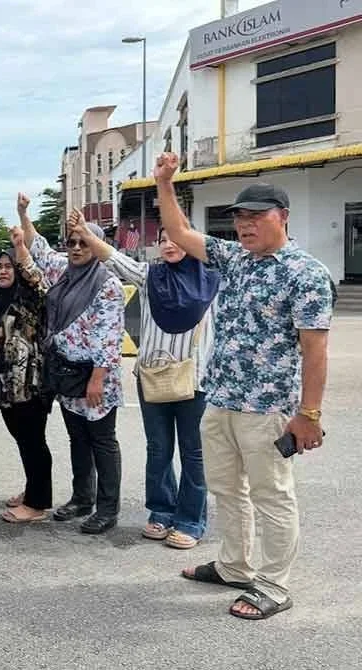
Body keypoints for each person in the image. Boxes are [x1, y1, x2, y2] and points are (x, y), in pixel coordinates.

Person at [153, 152, 333, 621]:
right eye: (240, 218)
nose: (246, 226)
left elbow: (315, 351)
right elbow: (179, 232)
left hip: (267, 407)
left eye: (256, 217)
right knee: (226, 489)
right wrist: (165, 184)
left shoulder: (304, 272)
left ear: (283, 218)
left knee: (272, 494)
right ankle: (235, 565)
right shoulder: (234, 259)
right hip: (222, 398)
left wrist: (308, 415)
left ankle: (273, 583)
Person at [69, 209, 219, 549]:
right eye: (163, 239)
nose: (169, 244)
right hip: (152, 377)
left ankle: (190, 520)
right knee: (159, 449)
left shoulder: (213, 279)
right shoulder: (151, 276)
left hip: (195, 380)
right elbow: (115, 259)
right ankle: (162, 512)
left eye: (177, 238)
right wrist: (87, 234)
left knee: (193, 453)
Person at [21, 192, 125, 535]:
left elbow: (109, 335)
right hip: (67, 374)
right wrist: (23, 213)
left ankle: (107, 509)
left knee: (102, 441)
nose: (77, 248)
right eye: (72, 242)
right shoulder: (64, 272)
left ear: (97, 244)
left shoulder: (106, 283)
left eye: (84, 242)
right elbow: (38, 248)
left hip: (96, 377)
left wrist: (97, 379)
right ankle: (83, 497)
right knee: (77, 438)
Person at [0, 225, 52, 523]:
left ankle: (37, 504)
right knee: (23, 440)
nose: (3, 271)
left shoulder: (30, 296)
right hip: (7, 386)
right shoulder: (0, 297)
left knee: (33, 441)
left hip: (29, 384)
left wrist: (21, 246)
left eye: (9, 266)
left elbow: (37, 280)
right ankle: (31, 490)